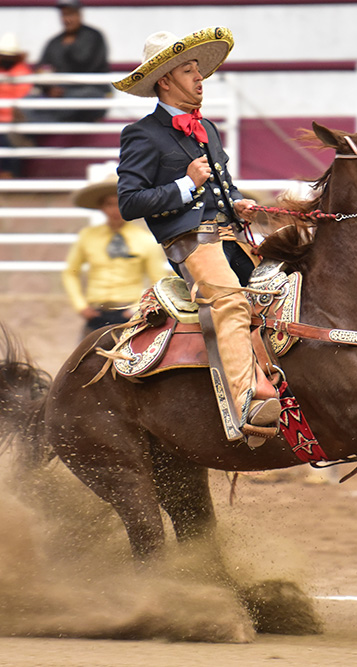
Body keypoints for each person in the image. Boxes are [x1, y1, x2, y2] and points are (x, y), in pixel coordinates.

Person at [113, 27, 279, 447]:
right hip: (192, 243)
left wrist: (238, 202)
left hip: (231, 236)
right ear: (165, 80)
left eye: (199, 70)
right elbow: (130, 202)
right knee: (227, 301)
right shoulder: (142, 134)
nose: (199, 77)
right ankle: (246, 402)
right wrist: (185, 185)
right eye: (189, 71)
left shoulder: (208, 128)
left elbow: (223, 184)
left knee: (288, 287)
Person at [63, 171, 170, 336]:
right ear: (101, 207)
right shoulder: (88, 236)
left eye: (120, 203)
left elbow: (158, 280)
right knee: (85, 359)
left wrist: (137, 307)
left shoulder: (145, 240)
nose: (115, 210)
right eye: (109, 204)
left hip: (130, 314)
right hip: (96, 312)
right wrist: (81, 306)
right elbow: (70, 272)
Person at [32, 0, 110, 123]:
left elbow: (88, 65)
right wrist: (49, 88)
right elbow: (41, 69)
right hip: (57, 96)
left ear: (80, 15)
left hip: (89, 91)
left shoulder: (94, 36)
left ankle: (33, 121)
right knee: (30, 99)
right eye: (64, 15)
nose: (67, 19)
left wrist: (64, 90)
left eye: (71, 14)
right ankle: (33, 121)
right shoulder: (54, 42)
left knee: (87, 96)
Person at [0, 33, 33, 178]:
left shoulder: (22, 73)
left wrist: (0, 112)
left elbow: (22, 98)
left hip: (15, 119)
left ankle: (10, 174)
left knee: (8, 137)